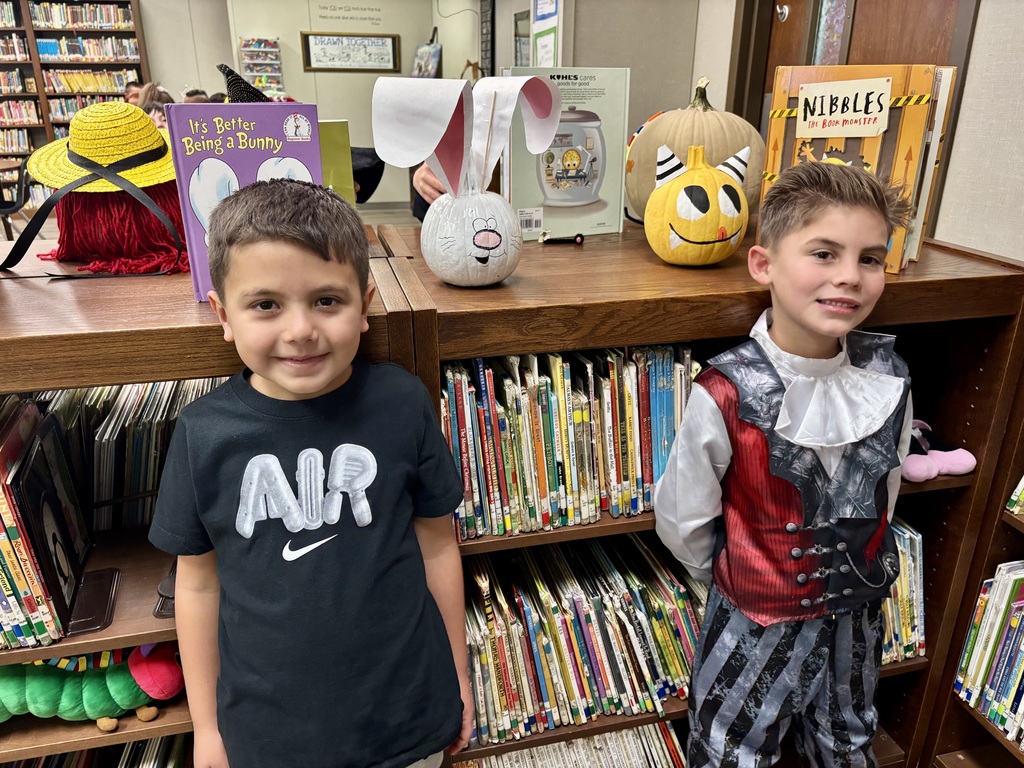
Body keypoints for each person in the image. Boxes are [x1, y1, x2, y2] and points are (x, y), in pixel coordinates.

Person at [149, 179, 473, 768]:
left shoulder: (402, 403)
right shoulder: (202, 433)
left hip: (409, 720)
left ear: (365, 305)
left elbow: (437, 547)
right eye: (266, 304)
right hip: (269, 740)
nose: (300, 330)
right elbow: (197, 586)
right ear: (224, 315)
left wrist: (459, 677)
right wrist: (206, 731)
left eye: (326, 300)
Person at [654, 161, 913, 768]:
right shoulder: (725, 390)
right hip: (754, 618)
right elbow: (684, 516)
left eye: (870, 259)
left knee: (847, 738)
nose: (849, 277)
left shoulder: (890, 379)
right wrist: (737, 578)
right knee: (731, 746)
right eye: (824, 253)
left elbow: (887, 490)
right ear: (764, 264)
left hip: (856, 615)